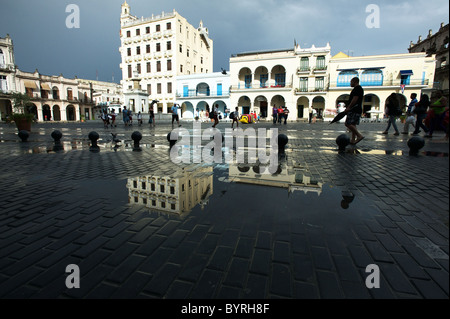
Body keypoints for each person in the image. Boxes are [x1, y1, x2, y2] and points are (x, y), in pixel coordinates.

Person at [345, 77, 365, 145]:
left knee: (347, 123)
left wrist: (349, 107)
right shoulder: (359, 89)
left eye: (351, 82)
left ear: (355, 81)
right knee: (353, 124)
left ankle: (359, 136)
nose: (350, 83)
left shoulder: (357, 88)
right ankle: (353, 139)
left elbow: (355, 98)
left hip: (354, 109)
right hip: (357, 109)